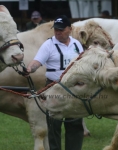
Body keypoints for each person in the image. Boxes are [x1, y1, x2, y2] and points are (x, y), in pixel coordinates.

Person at [25, 15, 84, 150]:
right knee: (54, 125)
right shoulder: (48, 44)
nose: (57, 32)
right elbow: (37, 61)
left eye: (61, 29)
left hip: (73, 89)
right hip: (54, 87)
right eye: (56, 29)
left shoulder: (76, 44)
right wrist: (30, 68)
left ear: (70, 29)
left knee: (75, 123)